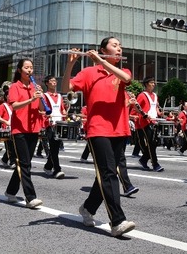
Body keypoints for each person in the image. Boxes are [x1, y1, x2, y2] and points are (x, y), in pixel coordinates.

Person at [62, 37, 136, 237]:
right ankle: (117, 221)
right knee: (108, 174)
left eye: (120, 46)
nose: (119, 48)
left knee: (106, 174)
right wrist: (70, 64)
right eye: (115, 45)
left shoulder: (122, 71)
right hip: (97, 129)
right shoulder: (88, 73)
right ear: (102, 49)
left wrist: (102, 62)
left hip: (119, 129)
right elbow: (65, 88)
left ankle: (88, 208)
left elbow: (127, 80)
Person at [3, 59, 45, 209]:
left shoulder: (35, 87)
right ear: (20, 70)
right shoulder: (15, 86)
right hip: (19, 129)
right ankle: (30, 197)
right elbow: (14, 106)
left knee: (24, 163)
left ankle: (10, 191)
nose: (29, 70)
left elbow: (41, 108)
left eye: (31, 68)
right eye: (26, 67)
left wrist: (39, 97)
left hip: (34, 128)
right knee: (25, 163)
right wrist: (31, 98)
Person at [135, 77, 164, 172]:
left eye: (154, 82)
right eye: (152, 82)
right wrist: (144, 114)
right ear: (146, 84)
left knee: (154, 143)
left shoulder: (155, 95)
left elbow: (155, 108)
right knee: (151, 143)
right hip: (145, 121)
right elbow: (136, 107)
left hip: (154, 120)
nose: (154, 84)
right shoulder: (142, 95)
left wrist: (160, 113)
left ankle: (143, 160)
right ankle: (155, 164)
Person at [42, 75, 66, 179]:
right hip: (50, 124)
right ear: (47, 83)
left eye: (55, 80)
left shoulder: (60, 96)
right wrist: (46, 115)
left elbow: (62, 109)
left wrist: (65, 113)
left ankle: (48, 166)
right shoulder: (44, 96)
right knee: (54, 147)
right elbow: (41, 110)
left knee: (55, 148)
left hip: (59, 123)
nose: (54, 82)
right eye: (51, 81)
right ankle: (57, 169)